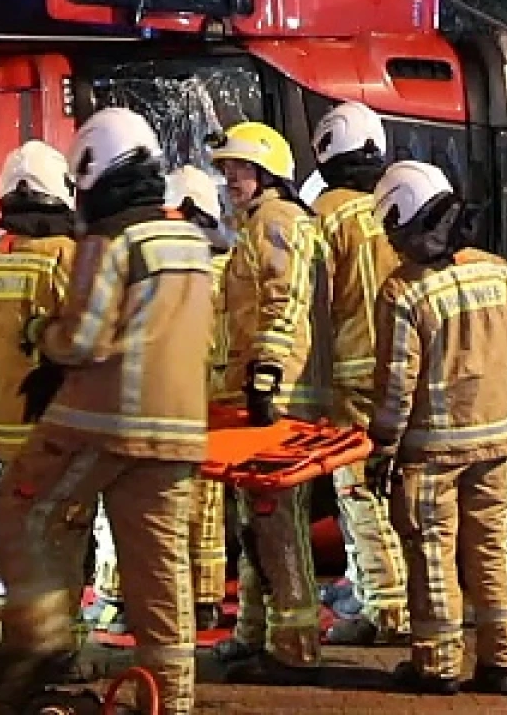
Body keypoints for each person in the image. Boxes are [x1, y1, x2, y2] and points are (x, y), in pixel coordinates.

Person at [0, 108, 215, 715]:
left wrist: (42, 332)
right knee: (159, 570)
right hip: (180, 435)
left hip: (103, 421)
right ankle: (170, 700)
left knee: (18, 510)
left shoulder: (109, 241)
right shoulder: (191, 242)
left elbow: (84, 339)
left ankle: (40, 645)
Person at [364, 161, 507, 695]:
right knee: (493, 548)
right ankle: (502, 662)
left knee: (433, 553)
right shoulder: (500, 272)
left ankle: (437, 666)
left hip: (430, 452)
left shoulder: (404, 291)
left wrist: (381, 447)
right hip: (500, 444)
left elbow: (397, 385)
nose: (392, 245)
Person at [0, 141, 89, 681]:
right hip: (59, 430)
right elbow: (82, 343)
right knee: (63, 540)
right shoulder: (67, 256)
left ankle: (23, 642)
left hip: (6, 432)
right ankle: (58, 655)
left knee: (21, 537)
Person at [207, 121, 328, 681]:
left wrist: (266, 376)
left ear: (267, 173)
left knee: (276, 524)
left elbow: (287, 300)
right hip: (257, 395)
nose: (230, 178)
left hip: (274, 400)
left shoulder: (278, 221)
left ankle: (296, 647)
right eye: (227, 169)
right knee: (255, 523)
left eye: (241, 168)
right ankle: (255, 634)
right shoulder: (256, 225)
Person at [91, 165, 235, 634]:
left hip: (147, 405)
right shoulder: (225, 269)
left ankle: (123, 598)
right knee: (205, 505)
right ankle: (206, 599)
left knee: (133, 510)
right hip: (205, 402)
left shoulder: (143, 263)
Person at [307, 101, 409, 646]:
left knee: (358, 488)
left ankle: (384, 608)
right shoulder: (397, 203)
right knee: (397, 489)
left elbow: (312, 303)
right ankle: (375, 583)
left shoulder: (326, 216)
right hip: (406, 370)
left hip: (351, 375)